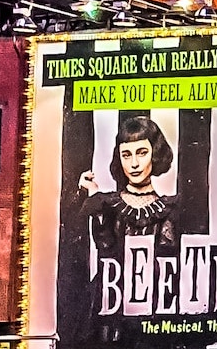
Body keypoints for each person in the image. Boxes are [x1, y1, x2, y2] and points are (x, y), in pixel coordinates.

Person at [74, 116, 182, 345]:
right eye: (127, 154)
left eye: (142, 153)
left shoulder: (170, 209)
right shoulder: (104, 203)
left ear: (156, 153)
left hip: (155, 314)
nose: (134, 164)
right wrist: (90, 196)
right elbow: (100, 248)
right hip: (109, 312)